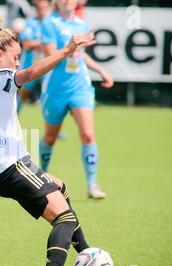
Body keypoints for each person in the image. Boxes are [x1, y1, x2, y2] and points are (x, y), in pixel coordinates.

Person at [0, 16, 93, 266]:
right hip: (10, 167)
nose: (17, 63)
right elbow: (34, 71)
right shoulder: (3, 78)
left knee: (60, 187)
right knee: (64, 217)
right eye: (15, 57)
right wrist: (66, 50)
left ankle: (85, 252)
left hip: (5, 166)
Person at [39, 0, 113, 199]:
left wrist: (101, 70)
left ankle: (92, 185)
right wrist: (71, 47)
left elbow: (81, 56)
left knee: (88, 135)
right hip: (55, 89)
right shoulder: (49, 23)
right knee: (50, 137)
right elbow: (49, 56)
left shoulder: (81, 24)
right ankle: (41, 178)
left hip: (80, 87)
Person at [17, 0, 50, 113]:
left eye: (44, 7)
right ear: (36, 8)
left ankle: (53, 130)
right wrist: (47, 42)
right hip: (29, 67)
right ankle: (9, 124)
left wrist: (38, 42)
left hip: (47, 67)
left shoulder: (53, 24)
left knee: (49, 98)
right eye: (39, 7)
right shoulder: (30, 23)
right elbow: (27, 44)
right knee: (21, 97)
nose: (42, 10)